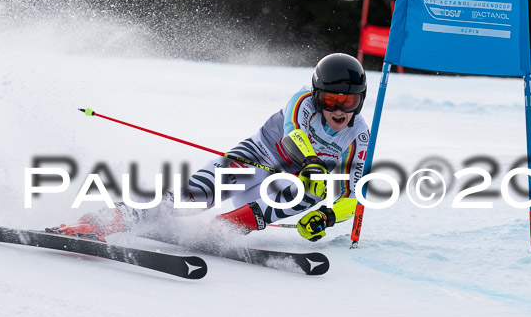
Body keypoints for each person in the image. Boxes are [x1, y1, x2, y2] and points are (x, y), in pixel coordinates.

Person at [52, 53, 370, 242]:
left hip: (280, 189)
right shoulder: (302, 101)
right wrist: (312, 161)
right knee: (196, 195)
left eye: (349, 101)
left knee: (314, 187)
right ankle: (103, 221)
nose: (339, 110)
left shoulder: (358, 136)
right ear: (317, 95)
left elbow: (354, 197)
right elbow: (292, 136)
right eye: (331, 99)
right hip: (256, 158)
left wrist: (327, 218)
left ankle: (224, 230)